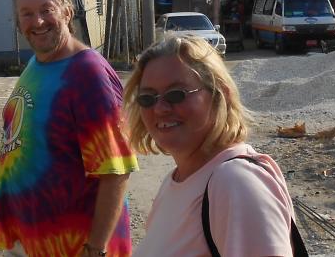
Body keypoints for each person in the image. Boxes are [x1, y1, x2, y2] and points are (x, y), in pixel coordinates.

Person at [0, 0, 138, 257]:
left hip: (73, 245)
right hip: (32, 238)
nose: (37, 22)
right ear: (18, 22)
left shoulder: (87, 73)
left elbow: (116, 170)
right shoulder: (37, 64)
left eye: (46, 10)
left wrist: (95, 249)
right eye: (27, 13)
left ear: (67, 12)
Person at [125, 36, 301, 257]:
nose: (160, 108)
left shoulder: (236, 182)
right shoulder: (175, 182)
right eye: (147, 98)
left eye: (176, 94)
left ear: (221, 96)